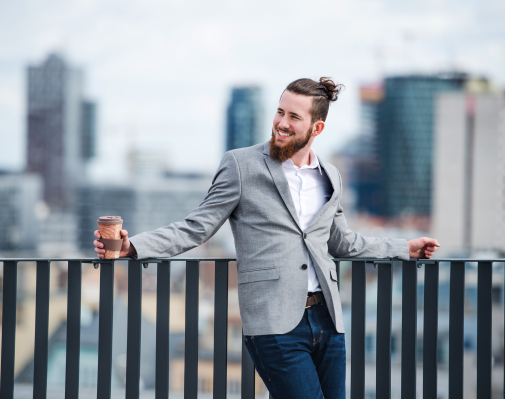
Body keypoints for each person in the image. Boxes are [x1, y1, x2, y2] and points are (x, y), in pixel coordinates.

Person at [94, 77, 440, 399]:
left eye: (294, 117)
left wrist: (403, 248)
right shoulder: (241, 165)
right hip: (274, 324)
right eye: (280, 111)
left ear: (317, 128)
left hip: (328, 321)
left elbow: (341, 242)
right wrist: (133, 246)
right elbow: (196, 226)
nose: (282, 122)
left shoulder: (330, 175)